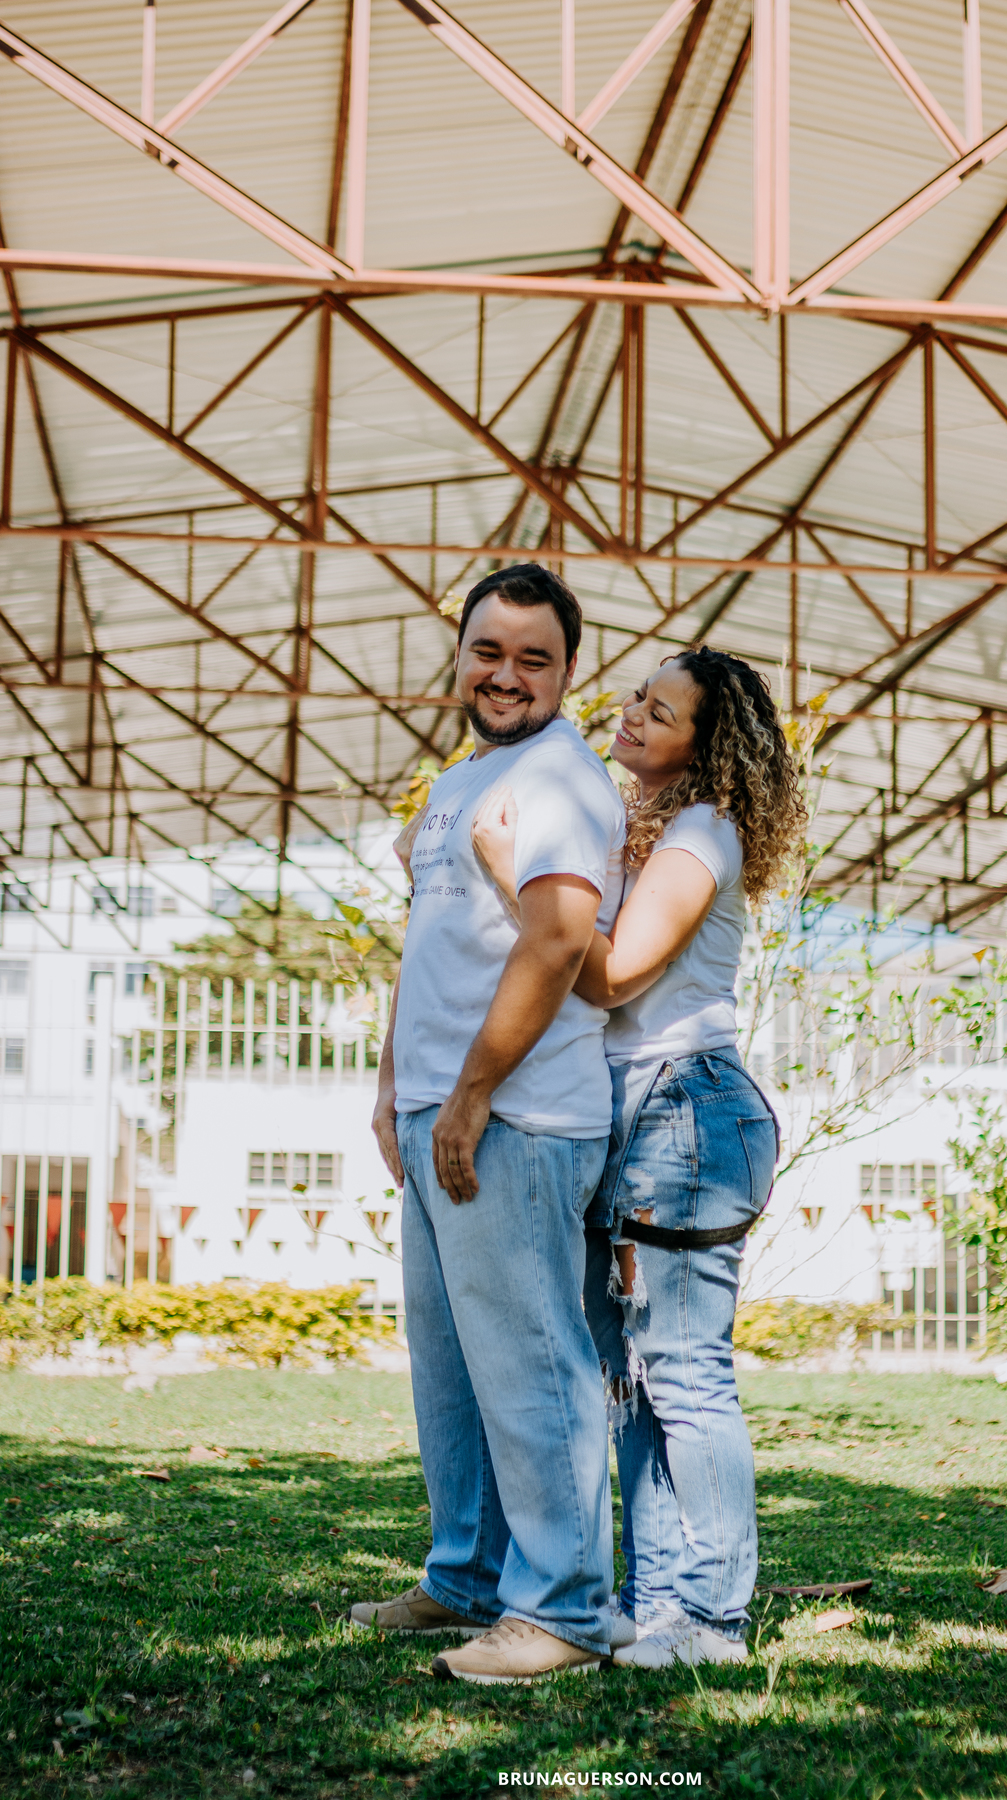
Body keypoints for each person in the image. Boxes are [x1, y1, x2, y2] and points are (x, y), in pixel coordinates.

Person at [472, 645, 805, 1668]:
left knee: (685, 1374)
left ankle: (708, 1620)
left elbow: (609, 975)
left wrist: (505, 870)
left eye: (661, 713)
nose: (632, 717)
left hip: (685, 1113)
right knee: (628, 1376)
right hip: (639, 1114)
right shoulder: (644, 831)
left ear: (705, 750)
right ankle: (655, 1606)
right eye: (637, 699)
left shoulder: (703, 831)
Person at [351, 564, 627, 1686]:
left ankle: (560, 1611)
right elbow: (429, 950)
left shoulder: (562, 779)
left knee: (531, 1364)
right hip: (436, 1112)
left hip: (515, 1117)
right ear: (459, 652)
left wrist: (468, 1098)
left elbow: (558, 944)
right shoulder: (459, 784)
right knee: (453, 1366)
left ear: (569, 671)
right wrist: (393, 1088)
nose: (505, 674)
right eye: (488, 650)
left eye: (534, 657)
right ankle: (464, 1577)